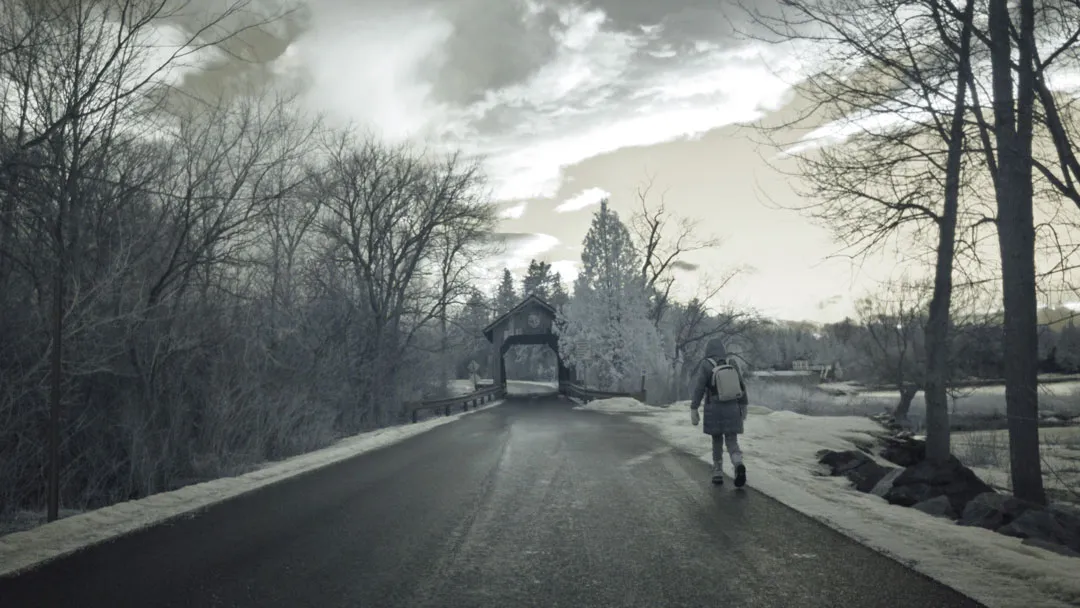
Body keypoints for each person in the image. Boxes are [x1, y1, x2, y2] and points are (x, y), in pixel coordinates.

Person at [689, 337, 750, 487]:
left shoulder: (706, 365)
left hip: (714, 408)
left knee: (717, 440)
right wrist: (744, 405)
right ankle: (738, 464)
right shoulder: (732, 362)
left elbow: (699, 388)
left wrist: (694, 407)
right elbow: (741, 386)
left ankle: (717, 471)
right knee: (732, 440)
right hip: (732, 408)